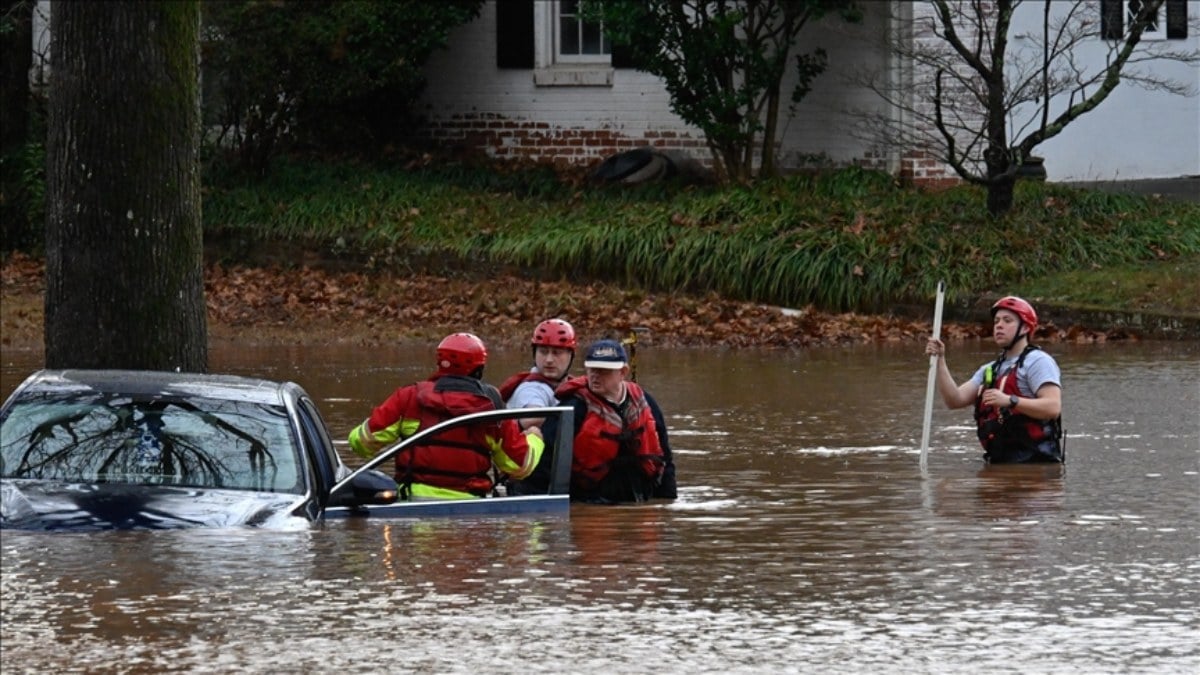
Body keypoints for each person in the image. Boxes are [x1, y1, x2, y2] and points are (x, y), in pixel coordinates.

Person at [348, 332, 544, 500]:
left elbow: (361, 443)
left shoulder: (408, 398)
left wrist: (370, 423)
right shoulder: (491, 407)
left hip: (411, 510)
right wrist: (535, 437)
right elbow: (520, 466)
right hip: (472, 514)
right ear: (479, 369)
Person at [516, 338, 677, 503]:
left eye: (604, 371)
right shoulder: (574, 407)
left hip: (639, 496)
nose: (595, 376)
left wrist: (667, 502)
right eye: (592, 370)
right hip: (590, 499)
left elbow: (665, 458)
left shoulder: (645, 403)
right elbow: (545, 462)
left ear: (623, 372)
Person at [925, 296, 1064, 463]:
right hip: (999, 462)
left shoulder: (1038, 361)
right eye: (997, 321)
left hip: (1036, 465)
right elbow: (954, 400)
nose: (999, 325)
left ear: (1025, 328)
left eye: (1007, 320)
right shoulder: (990, 369)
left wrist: (1010, 401)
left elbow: (1052, 407)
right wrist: (940, 360)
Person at [498, 318, 577, 430]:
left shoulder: (573, 387)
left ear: (571, 355)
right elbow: (533, 418)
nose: (549, 359)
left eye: (557, 353)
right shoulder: (531, 389)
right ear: (535, 353)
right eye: (543, 352)